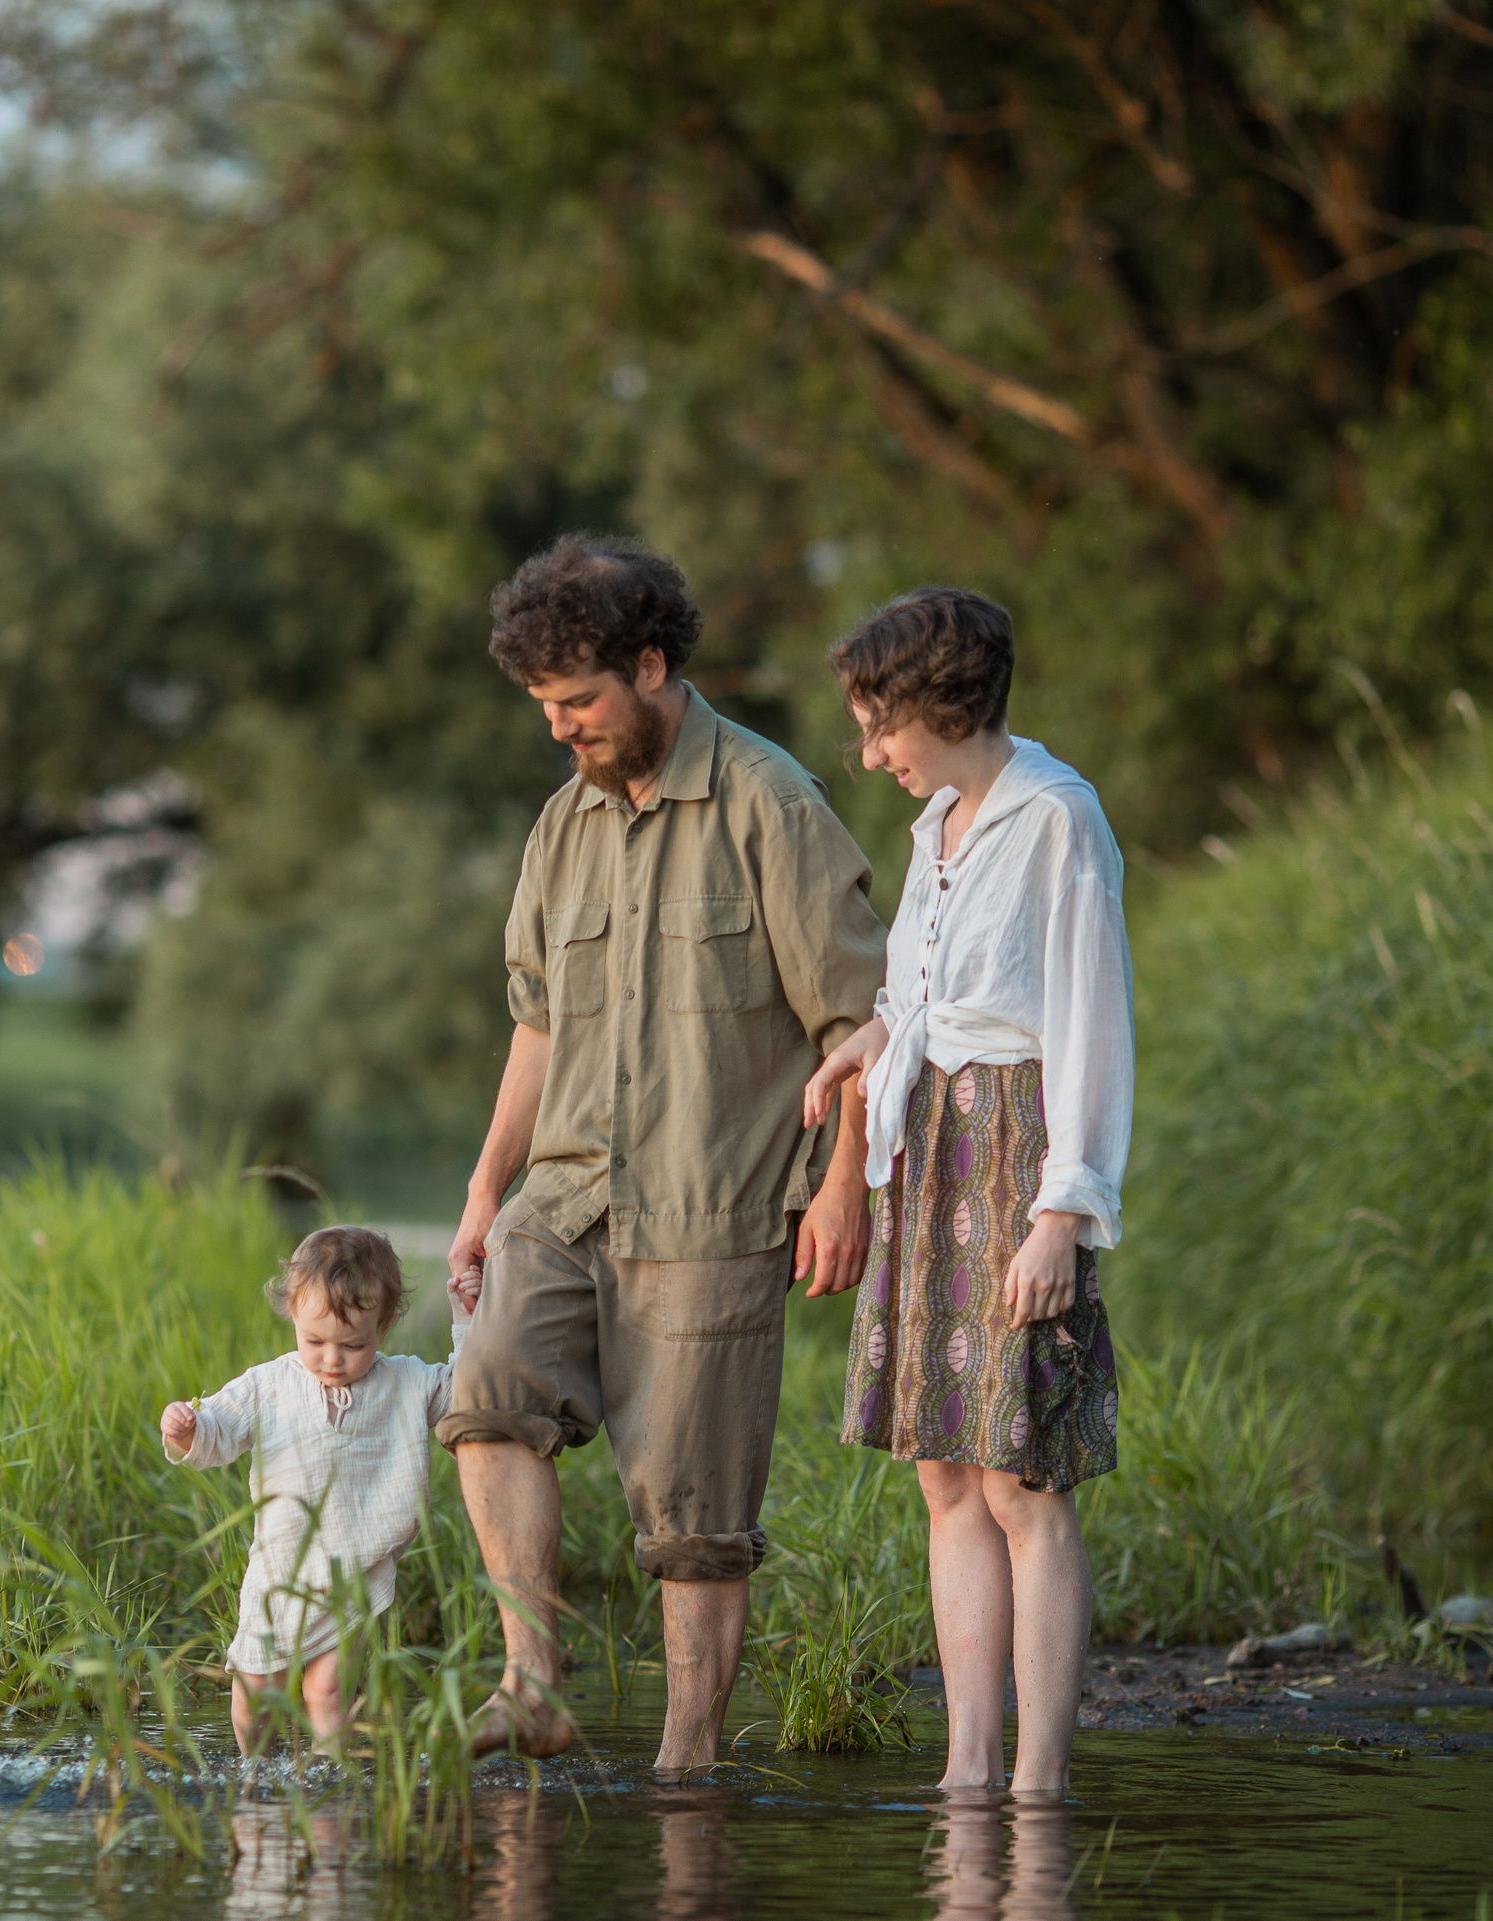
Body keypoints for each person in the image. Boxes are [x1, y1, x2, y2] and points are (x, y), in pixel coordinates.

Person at [440, 533, 890, 1768]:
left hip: (719, 1208)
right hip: (565, 1194)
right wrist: (484, 1195)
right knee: (484, 1395)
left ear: (651, 667)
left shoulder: (772, 803)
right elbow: (536, 1024)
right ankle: (533, 1682)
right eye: (542, 706)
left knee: (693, 1519)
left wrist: (846, 1183)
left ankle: (687, 1769)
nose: (559, 728)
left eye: (576, 701)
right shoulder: (559, 826)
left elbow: (860, 1020)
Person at [801, 586, 1131, 1795]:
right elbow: (924, 999)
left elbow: (1087, 1020)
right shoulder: (934, 822)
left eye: (879, 725)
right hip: (925, 1150)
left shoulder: (1056, 818)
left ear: (939, 702)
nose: (872, 752)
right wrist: (867, 1043)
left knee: (1019, 1475)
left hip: (1016, 1152)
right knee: (945, 1470)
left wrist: (1063, 1210)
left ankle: (1038, 1782)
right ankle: (966, 1771)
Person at [159, 1225, 476, 1751]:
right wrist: (190, 1428)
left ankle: (335, 1793)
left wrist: (465, 1320)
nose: (332, 1359)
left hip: (358, 1569)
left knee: (328, 1691)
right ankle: (254, 1775)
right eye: (315, 1341)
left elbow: (465, 1392)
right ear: (292, 1317)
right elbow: (220, 1429)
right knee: (256, 1687)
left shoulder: (405, 1382)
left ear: (387, 1324)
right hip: (281, 1570)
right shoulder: (270, 1385)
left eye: (353, 1344)